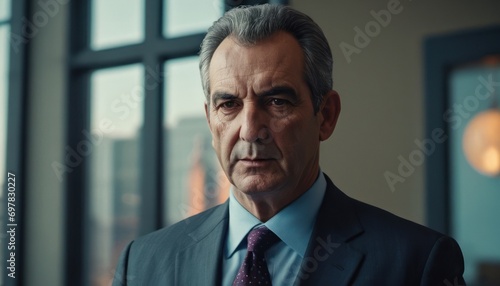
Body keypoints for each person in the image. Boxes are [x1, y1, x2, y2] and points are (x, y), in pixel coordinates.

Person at [113, 4, 465, 286]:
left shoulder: (417, 264)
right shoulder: (143, 262)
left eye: (277, 102)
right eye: (229, 105)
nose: (250, 130)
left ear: (325, 115)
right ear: (211, 121)